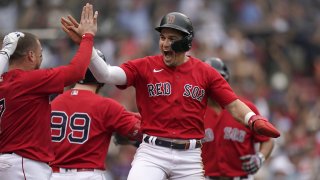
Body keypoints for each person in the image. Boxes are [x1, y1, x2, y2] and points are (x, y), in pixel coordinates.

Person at [61, 11, 280, 180]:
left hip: (189, 156)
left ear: (186, 42)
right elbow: (106, 73)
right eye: (163, 37)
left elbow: (233, 104)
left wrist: (253, 119)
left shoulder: (205, 72)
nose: (165, 43)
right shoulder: (145, 66)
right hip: (152, 152)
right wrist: (87, 43)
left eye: (172, 38)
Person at [0, 3, 97, 179]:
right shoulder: (29, 80)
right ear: (30, 55)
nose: (41, 57)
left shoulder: (3, 82)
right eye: (40, 53)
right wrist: (87, 37)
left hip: (11, 163)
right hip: (25, 165)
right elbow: (76, 71)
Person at [49, 49, 142, 180]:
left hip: (54, 174)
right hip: (88, 174)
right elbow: (142, 131)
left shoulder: (54, 103)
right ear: (101, 76)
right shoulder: (105, 106)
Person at [201, 57, 274, 180]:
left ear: (225, 81)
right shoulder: (194, 111)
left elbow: (267, 140)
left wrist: (260, 158)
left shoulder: (245, 108)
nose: (212, 84)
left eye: (217, 78)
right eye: (208, 79)